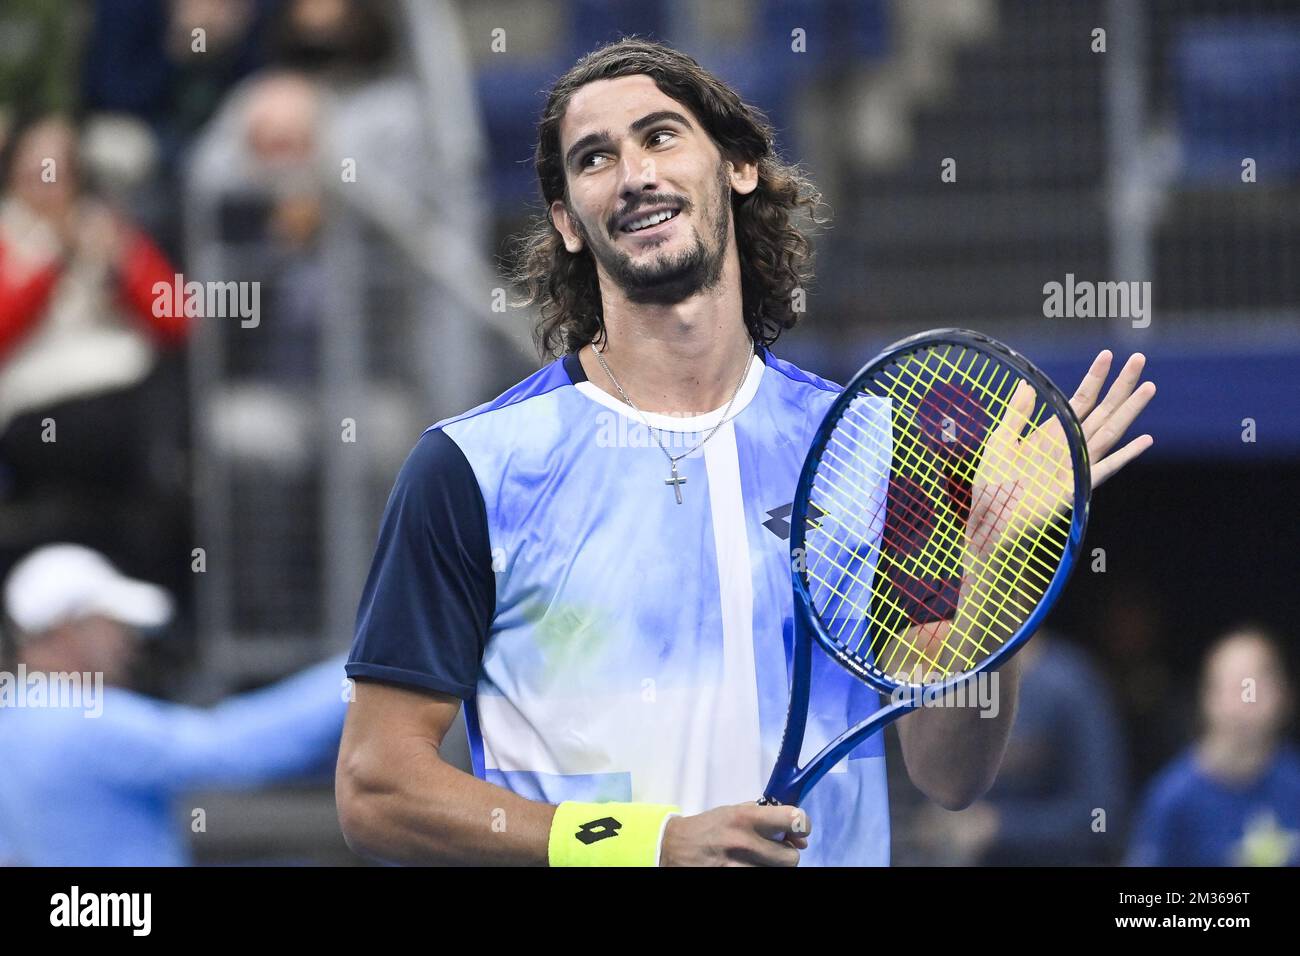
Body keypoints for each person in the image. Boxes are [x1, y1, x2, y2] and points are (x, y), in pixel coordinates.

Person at [336, 38, 1156, 867]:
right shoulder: (470, 469)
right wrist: (642, 845)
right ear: (567, 223)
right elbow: (378, 785)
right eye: (595, 158)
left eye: (660, 136)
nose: (633, 174)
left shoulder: (880, 448)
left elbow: (947, 771)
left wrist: (994, 578)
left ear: (738, 168)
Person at [0, 543, 348, 866]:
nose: (129, 643)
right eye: (114, 626)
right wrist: (360, 669)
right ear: (69, 630)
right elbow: (230, 750)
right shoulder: (85, 723)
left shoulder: (13, 720)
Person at [1128, 626, 1300, 867]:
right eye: (1233, 687)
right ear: (1207, 698)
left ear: (1284, 695)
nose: (1245, 703)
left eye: (1257, 686)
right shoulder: (1172, 798)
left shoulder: (1294, 782)